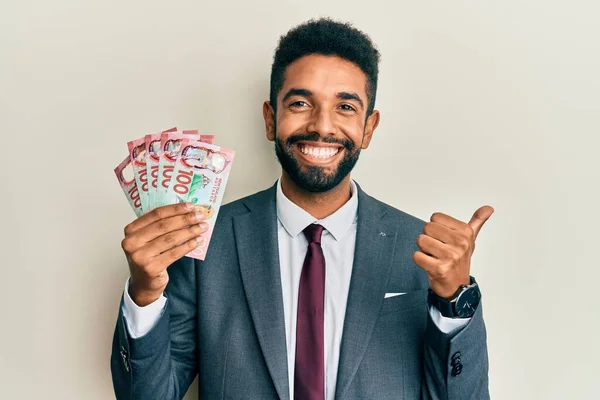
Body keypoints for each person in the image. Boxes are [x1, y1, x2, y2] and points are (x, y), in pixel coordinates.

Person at [111, 18, 493, 400]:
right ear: (270, 118)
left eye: (345, 106)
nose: (321, 125)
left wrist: (455, 300)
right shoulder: (205, 241)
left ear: (369, 128)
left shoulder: (423, 251)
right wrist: (144, 295)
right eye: (300, 103)